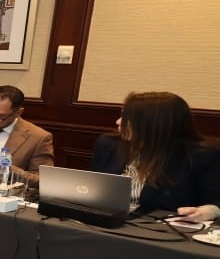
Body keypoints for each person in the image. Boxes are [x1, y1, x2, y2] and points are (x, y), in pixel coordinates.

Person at [90, 91, 220, 213]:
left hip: (157, 225)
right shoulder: (108, 144)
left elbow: (216, 201)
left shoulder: (201, 155)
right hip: (103, 217)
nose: (118, 122)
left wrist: (209, 211)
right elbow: (89, 188)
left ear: (153, 124)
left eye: (126, 118)